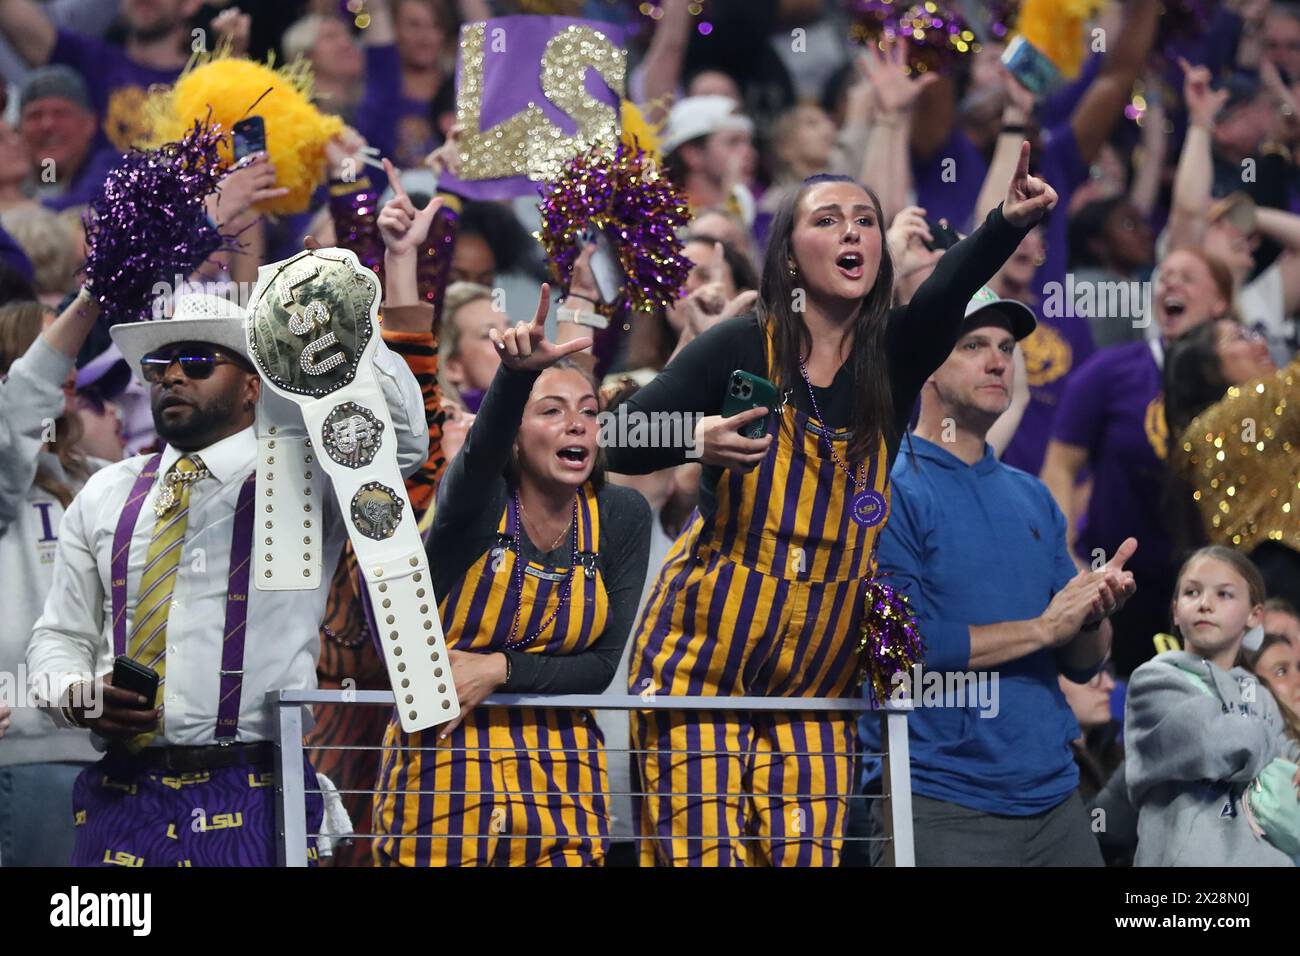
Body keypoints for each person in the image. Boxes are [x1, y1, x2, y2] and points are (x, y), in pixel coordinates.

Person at [602, 144, 1058, 866]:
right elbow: (613, 442)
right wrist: (697, 439)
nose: (853, 233)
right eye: (829, 220)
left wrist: (1005, 221)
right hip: (700, 668)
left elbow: (944, 293)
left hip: (819, 675)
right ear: (788, 255)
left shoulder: (897, 354)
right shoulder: (741, 345)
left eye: (866, 221)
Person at [25, 279, 429, 867]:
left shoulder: (305, 476)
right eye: (160, 364)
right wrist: (72, 695)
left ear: (251, 385)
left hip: (256, 787)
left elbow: (404, 444)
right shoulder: (104, 492)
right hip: (121, 790)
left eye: (195, 361)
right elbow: (60, 635)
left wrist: (340, 326)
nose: (172, 376)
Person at [371, 282, 652, 867]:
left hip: (563, 780)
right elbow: (476, 456)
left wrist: (501, 668)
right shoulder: (475, 503)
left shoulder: (621, 517)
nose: (577, 425)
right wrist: (515, 377)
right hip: (444, 770)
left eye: (589, 413)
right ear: (517, 441)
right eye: (551, 411)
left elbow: (601, 667)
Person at [854, 287, 1137, 867]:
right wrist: (1042, 628)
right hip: (939, 799)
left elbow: (1082, 662)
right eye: (973, 345)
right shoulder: (888, 490)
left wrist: (1095, 611)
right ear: (927, 366)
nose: (998, 361)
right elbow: (901, 651)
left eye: (1006, 348)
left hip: (1055, 797)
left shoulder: (1032, 497)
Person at [1040, 249, 1234, 677]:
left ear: (1220, 301)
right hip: (1120, 585)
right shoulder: (1110, 371)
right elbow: (1060, 467)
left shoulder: (1240, 381)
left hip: (1213, 587)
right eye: (1164, 276)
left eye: (1187, 277)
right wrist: (1066, 555)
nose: (1170, 285)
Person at [0, 295, 100, 866]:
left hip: (111, 750)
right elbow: (19, 418)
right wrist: (89, 298)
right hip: (25, 753)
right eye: (52, 346)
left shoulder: (102, 479)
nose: (71, 367)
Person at [1125, 547, 1300, 866]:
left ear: (1253, 616)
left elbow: (1285, 747)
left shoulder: (1255, 690)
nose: (1205, 603)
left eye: (1224, 594)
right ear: (1176, 611)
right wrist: (1269, 751)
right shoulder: (1154, 680)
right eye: (1192, 592)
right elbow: (1212, 743)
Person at [1164, 318, 1300, 607]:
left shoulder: (1192, 436)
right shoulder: (1247, 407)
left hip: (1243, 583)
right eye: (1240, 338)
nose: (1260, 343)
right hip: (1284, 572)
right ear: (1206, 366)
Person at [0, 0, 197, 151]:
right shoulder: (92, 60)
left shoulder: (203, 83)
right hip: (82, 201)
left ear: (191, 3)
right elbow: (24, 29)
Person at [15, 66, 118, 212]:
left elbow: (91, 201)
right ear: (18, 128)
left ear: (90, 124)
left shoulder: (112, 167)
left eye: (61, 113)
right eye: (35, 115)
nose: (47, 125)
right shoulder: (13, 175)